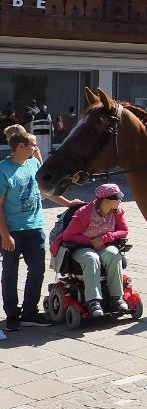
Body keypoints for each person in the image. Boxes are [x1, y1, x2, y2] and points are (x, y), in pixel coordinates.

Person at [1, 126, 83, 331]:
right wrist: (4, 235)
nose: (36, 147)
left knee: (36, 270)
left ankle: (29, 313)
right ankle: (12, 315)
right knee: (10, 273)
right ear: (21, 146)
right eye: (33, 144)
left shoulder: (33, 164)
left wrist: (67, 203)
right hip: (13, 231)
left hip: (35, 227)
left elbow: (45, 191)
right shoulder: (3, 170)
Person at [50, 183, 129, 318]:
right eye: (117, 198)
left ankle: (117, 298)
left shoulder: (117, 211)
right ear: (106, 201)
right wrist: (90, 241)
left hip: (104, 244)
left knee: (114, 255)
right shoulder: (84, 213)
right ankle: (93, 302)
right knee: (92, 258)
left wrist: (105, 238)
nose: (120, 200)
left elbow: (124, 231)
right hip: (81, 246)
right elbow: (69, 235)